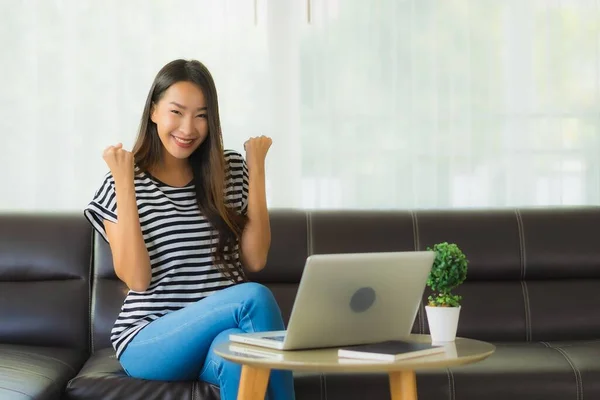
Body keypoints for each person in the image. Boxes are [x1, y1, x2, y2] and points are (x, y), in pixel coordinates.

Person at [84, 59, 295, 400]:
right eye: (177, 112)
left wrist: (256, 170)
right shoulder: (121, 182)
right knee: (254, 296)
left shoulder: (230, 172)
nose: (188, 128)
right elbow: (136, 279)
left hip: (219, 335)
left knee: (242, 357)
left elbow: (254, 259)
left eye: (201, 115)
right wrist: (125, 183)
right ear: (153, 111)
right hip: (150, 339)